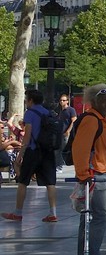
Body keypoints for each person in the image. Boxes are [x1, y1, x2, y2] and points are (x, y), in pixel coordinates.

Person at [68, 86, 106, 255]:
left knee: (88, 217)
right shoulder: (91, 120)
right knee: (101, 216)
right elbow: (80, 149)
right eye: (105, 101)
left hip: (98, 173)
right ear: (95, 102)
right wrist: (84, 175)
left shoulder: (101, 120)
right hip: (93, 174)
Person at [3, 89, 61, 224]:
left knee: (23, 181)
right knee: (50, 183)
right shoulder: (48, 113)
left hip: (33, 151)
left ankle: (18, 212)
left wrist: (21, 154)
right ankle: (53, 213)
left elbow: (27, 135)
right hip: (47, 151)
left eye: (26, 99)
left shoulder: (30, 113)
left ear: (30, 100)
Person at [54, 93, 77, 169]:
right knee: (58, 149)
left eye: (64, 100)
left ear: (67, 101)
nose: (62, 102)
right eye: (60, 100)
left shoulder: (71, 110)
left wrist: (68, 131)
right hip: (59, 133)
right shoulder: (60, 111)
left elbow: (74, 120)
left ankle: (62, 165)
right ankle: (58, 165)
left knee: (64, 149)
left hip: (66, 133)